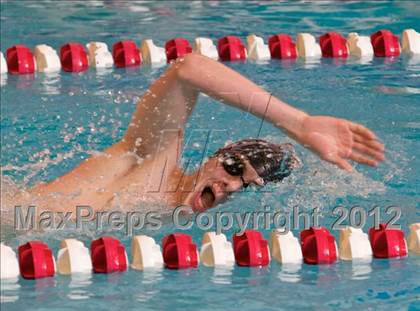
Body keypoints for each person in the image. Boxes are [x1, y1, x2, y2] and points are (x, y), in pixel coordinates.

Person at [25, 53, 384, 213]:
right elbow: (189, 69)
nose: (232, 184)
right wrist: (300, 124)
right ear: (215, 156)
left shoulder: (165, 218)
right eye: (233, 167)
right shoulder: (157, 159)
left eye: (246, 184)